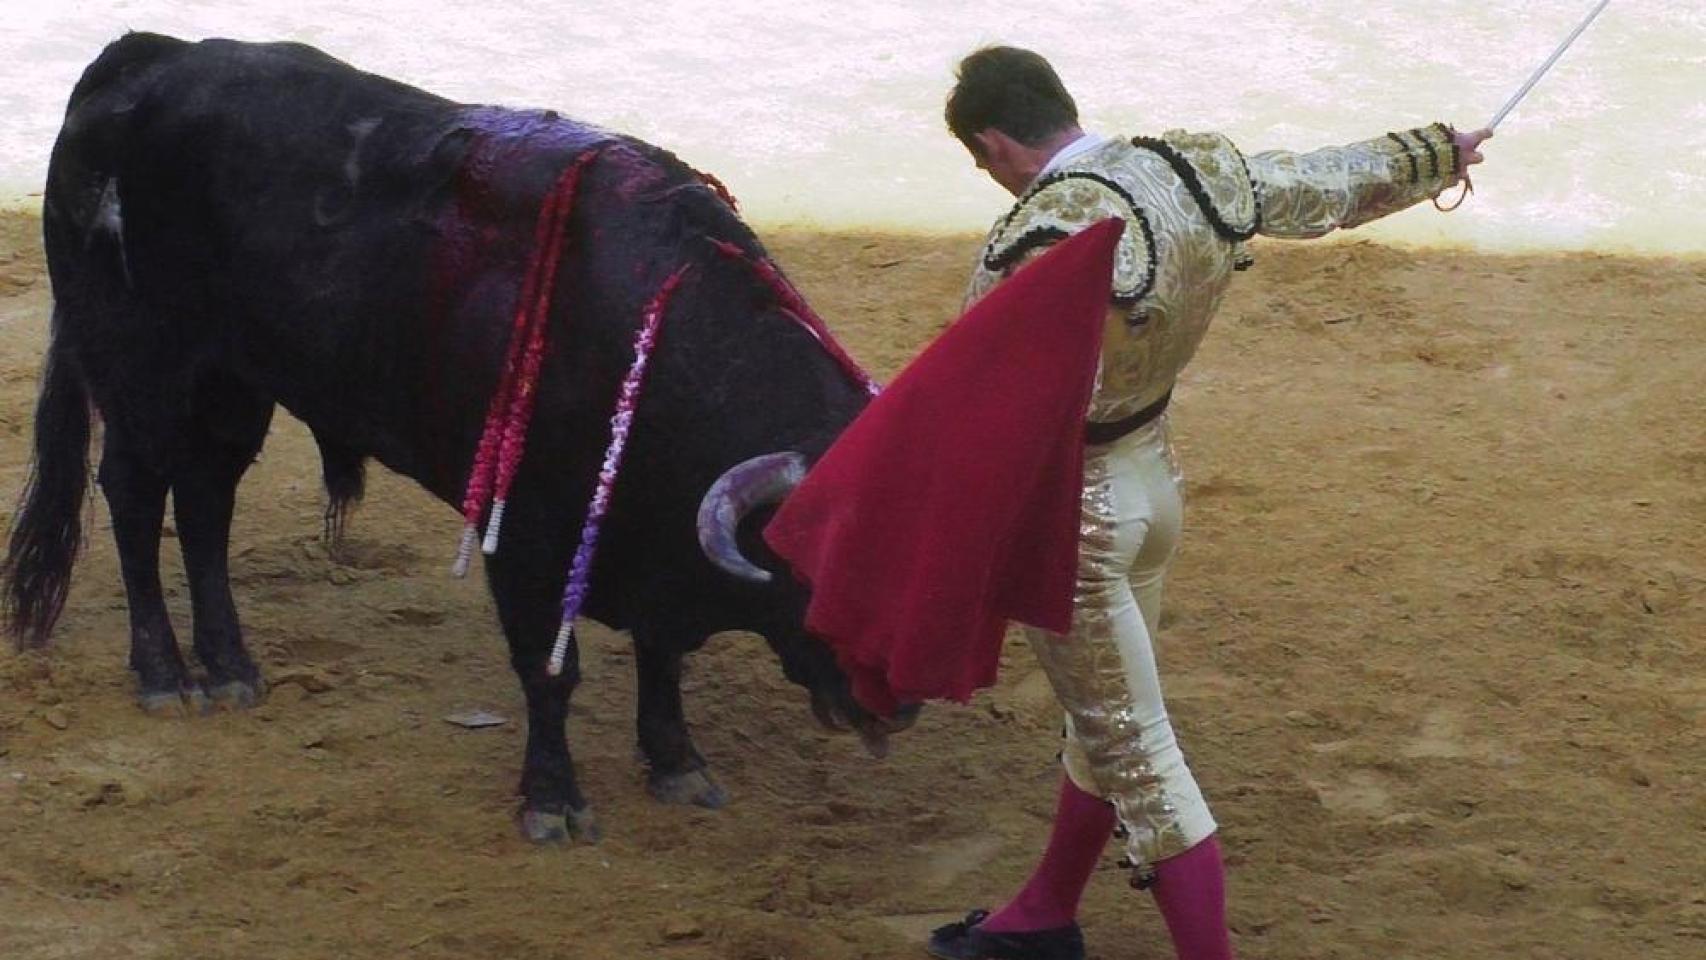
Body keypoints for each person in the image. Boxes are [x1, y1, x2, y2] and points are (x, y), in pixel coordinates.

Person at [926, 46, 1491, 960]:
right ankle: (1041, 913)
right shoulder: (1190, 167)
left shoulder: (1043, 233)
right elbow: (1320, 185)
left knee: (1139, 755)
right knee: (1105, 721)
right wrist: (1436, 153)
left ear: (996, 143)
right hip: (1155, 485)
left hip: (1082, 523)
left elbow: (967, 399)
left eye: (982, 161)